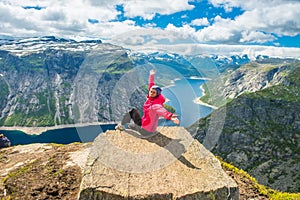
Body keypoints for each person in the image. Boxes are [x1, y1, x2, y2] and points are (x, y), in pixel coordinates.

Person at [115, 70, 179, 134]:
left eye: (153, 92)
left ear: (157, 94)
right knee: (132, 123)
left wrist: (171, 117)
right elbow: (151, 85)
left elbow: (162, 111)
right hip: (147, 125)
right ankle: (135, 126)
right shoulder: (155, 96)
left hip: (145, 131)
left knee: (132, 112)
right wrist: (151, 75)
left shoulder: (155, 105)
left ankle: (121, 125)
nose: (151, 93)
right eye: (151, 91)